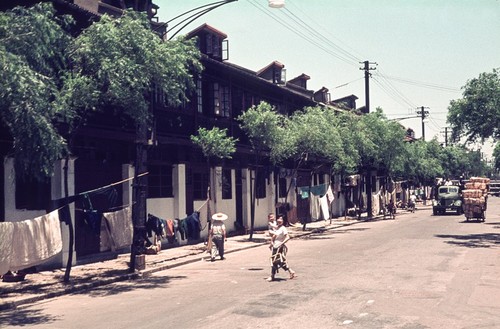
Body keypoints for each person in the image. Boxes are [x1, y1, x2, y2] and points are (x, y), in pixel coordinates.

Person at [266, 215, 296, 281]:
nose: (279, 221)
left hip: (279, 247)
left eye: (281, 219)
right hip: (275, 246)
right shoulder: (277, 228)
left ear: (283, 221)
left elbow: (287, 237)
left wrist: (282, 243)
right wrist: (271, 243)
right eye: (278, 219)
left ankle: (272, 276)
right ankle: (290, 271)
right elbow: (274, 236)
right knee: (276, 261)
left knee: (275, 261)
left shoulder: (283, 228)